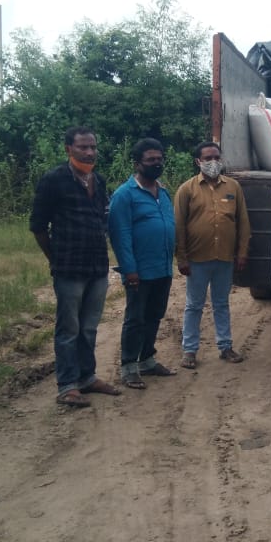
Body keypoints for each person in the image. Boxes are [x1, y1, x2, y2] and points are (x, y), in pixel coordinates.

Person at [30, 126, 120, 408]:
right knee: (68, 328)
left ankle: (87, 377)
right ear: (69, 149)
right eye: (83, 147)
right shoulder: (54, 180)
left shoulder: (99, 180)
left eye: (93, 147)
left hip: (96, 266)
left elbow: (101, 219)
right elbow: (38, 226)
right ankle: (67, 385)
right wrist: (54, 257)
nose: (90, 152)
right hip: (68, 267)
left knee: (89, 327)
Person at [174, 141, 251, 369]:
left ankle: (225, 346)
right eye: (207, 158)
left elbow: (243, 222)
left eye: (216, 157)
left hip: (225, 257)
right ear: (198, 162)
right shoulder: (186, 189)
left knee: (221, 303)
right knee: (194, 305)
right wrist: (182, 258)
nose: (213, 162)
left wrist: (242, 252)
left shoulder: (233, 187)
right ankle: (189, 350)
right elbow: (179, 226)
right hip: (197, 259)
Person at [108, 138, 178, 390]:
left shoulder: (163, 192)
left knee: (155, 315)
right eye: (151, 160)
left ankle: (147, 360)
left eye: (159, 159)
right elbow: (120, 234)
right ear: (138, 163)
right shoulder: (124, 195)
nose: (156, 164)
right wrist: (129, 269)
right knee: (135, 318)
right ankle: (128, 367)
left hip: (162, 267)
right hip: (139, 269)